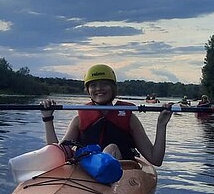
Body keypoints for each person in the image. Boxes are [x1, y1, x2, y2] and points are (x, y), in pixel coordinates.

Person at [40, 64, 172, 166]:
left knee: (111, 149)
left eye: (104, 84)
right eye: (93, 85)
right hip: (87, 171)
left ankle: (106, 168)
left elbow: (156, 159)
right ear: (88, 90)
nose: (99, 89)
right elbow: (56, 155)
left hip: (122, 172)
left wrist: (162, 124)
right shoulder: (78, 120)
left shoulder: (129, 119)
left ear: (113, 88)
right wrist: (48, 118)